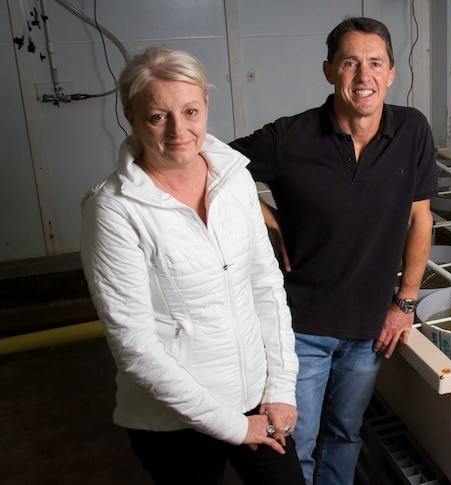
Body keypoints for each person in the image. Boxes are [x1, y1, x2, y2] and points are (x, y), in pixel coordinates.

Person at [79, 47, 304, 484]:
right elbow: (136, 348)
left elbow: (265, 288)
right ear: (130, 115)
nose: (179, 130)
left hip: (256, 398)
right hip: (172, 422)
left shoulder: (234, 177)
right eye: (158, 117)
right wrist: (235, 427)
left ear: (205, 105)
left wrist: (279, 389)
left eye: (190, 110)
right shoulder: (114, 210)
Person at [229, 17, 437, 485]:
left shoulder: (411, 130)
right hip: (301, 328)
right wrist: (271, 219)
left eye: (375, 63)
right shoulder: (289, 138)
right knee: (293, 442)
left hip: (369, 328)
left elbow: (420, 217)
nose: (364, 76)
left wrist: (405, 302)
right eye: (350, 63)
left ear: (391, 73)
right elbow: (214, 168)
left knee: (345, 435)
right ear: (329, 71)